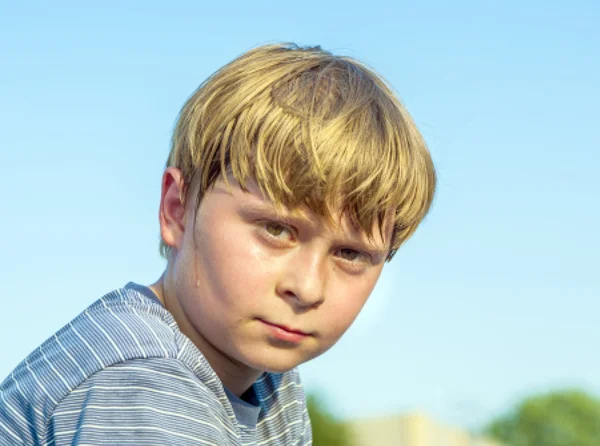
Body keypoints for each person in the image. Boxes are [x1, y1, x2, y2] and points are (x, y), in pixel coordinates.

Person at [0, 43, 436, 445]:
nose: (307, 288)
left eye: (350, 254)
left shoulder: (268, 382)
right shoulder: (144, 383)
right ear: (177, 209)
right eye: (276, 229)